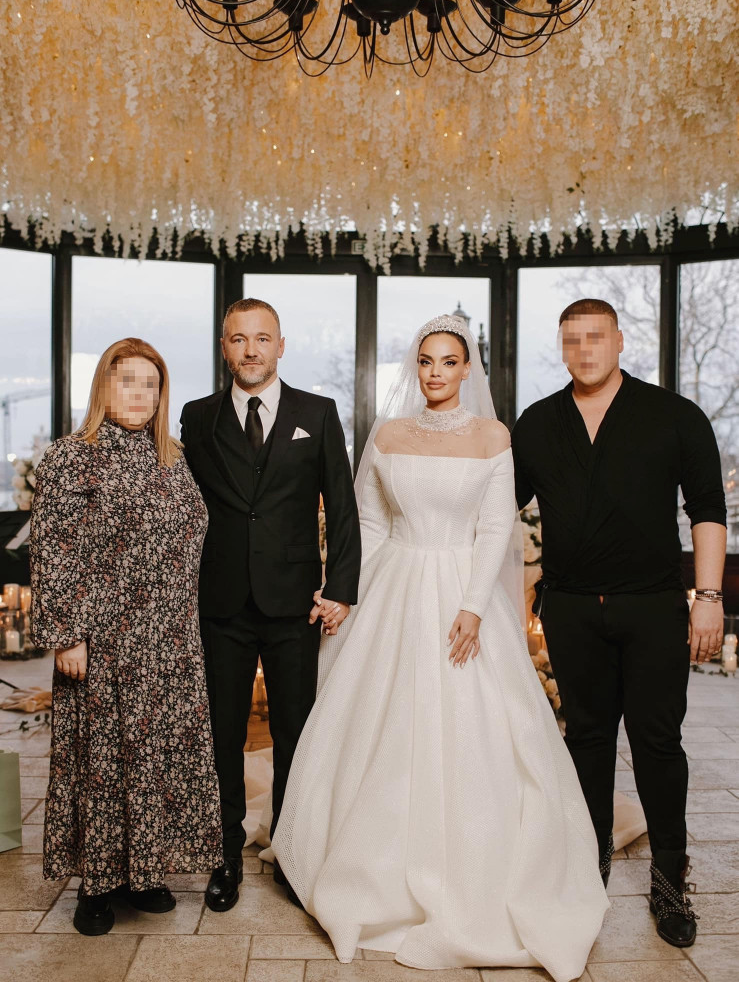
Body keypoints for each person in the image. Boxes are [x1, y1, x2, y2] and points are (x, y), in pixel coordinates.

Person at [271, 314, 608, 980]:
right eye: (426, 361)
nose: (435, 373)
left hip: (461, 589)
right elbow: (369, 522)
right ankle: (367, 865)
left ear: (466, 369)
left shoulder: (492, 437)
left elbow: (495, 527)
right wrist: (352, 597)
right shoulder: (389, 434)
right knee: (381, 723)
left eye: (448, 362)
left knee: (474, 727)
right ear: (415, 367)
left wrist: (474, 606)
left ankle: (476, 868)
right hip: (394, 584)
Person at [511, 298, 727, 949]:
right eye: (571, 340)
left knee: (658, 744)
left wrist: (708, 596)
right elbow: (496, 512)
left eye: (595, 337)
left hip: (653, 607)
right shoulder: (538, 422)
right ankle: (587, 870)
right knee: (586, 740)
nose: (584, 350)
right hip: (571, 608)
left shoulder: (674, 416)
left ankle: (669, 882)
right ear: (561, 346)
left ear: (619, 341)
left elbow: (707, 509)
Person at [29, 338, 222, 936]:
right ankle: (95, 886)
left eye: (150, 384)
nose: (139, 394)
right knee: (103, 764)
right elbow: (53, 550)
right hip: (104, 642)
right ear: (103, 388)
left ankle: (145, 873)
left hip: (168, 641)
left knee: (155, 761)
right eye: (127, 381)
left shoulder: (172, 457)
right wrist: (67, 634)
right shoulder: (72, 456)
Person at [180, 298, 361, 913]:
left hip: (295, 603)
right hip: (221, 601)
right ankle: (225, 856)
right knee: (222, 734)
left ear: (281, 346)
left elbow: (342, 506)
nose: (251, 349)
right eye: (239, 339)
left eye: (262, 338)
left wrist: (340, 588)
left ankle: (290, 849)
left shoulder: (318, 412)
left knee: (295, 732)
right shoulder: (197, 416)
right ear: (224, 348)